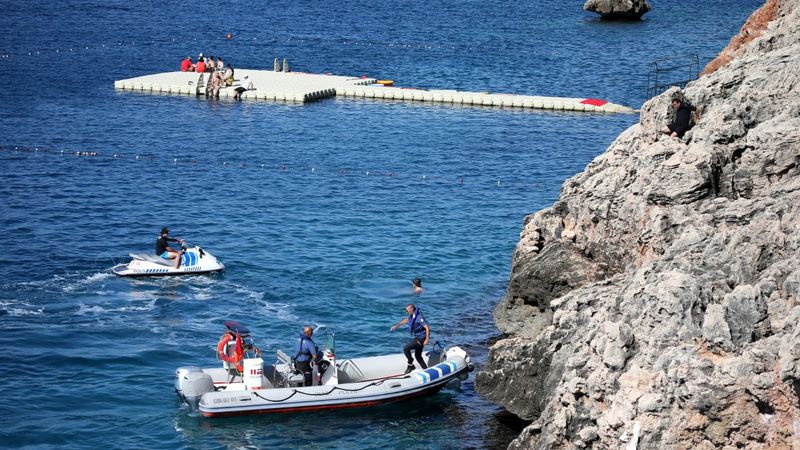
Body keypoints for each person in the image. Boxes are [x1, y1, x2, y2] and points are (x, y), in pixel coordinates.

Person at [390, 303, 430, 374]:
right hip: (417, 338)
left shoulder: (418, 317)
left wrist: (427, 339)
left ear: (412, 309)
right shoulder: (412, 316)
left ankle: (410, 364)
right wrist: (397, 326)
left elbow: (427, 328)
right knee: (418, 356)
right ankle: (427, 371)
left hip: (421, 339)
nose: (407, 311)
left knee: (406, 348)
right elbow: (406, 320)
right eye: (406, 310)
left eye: (408, 310)